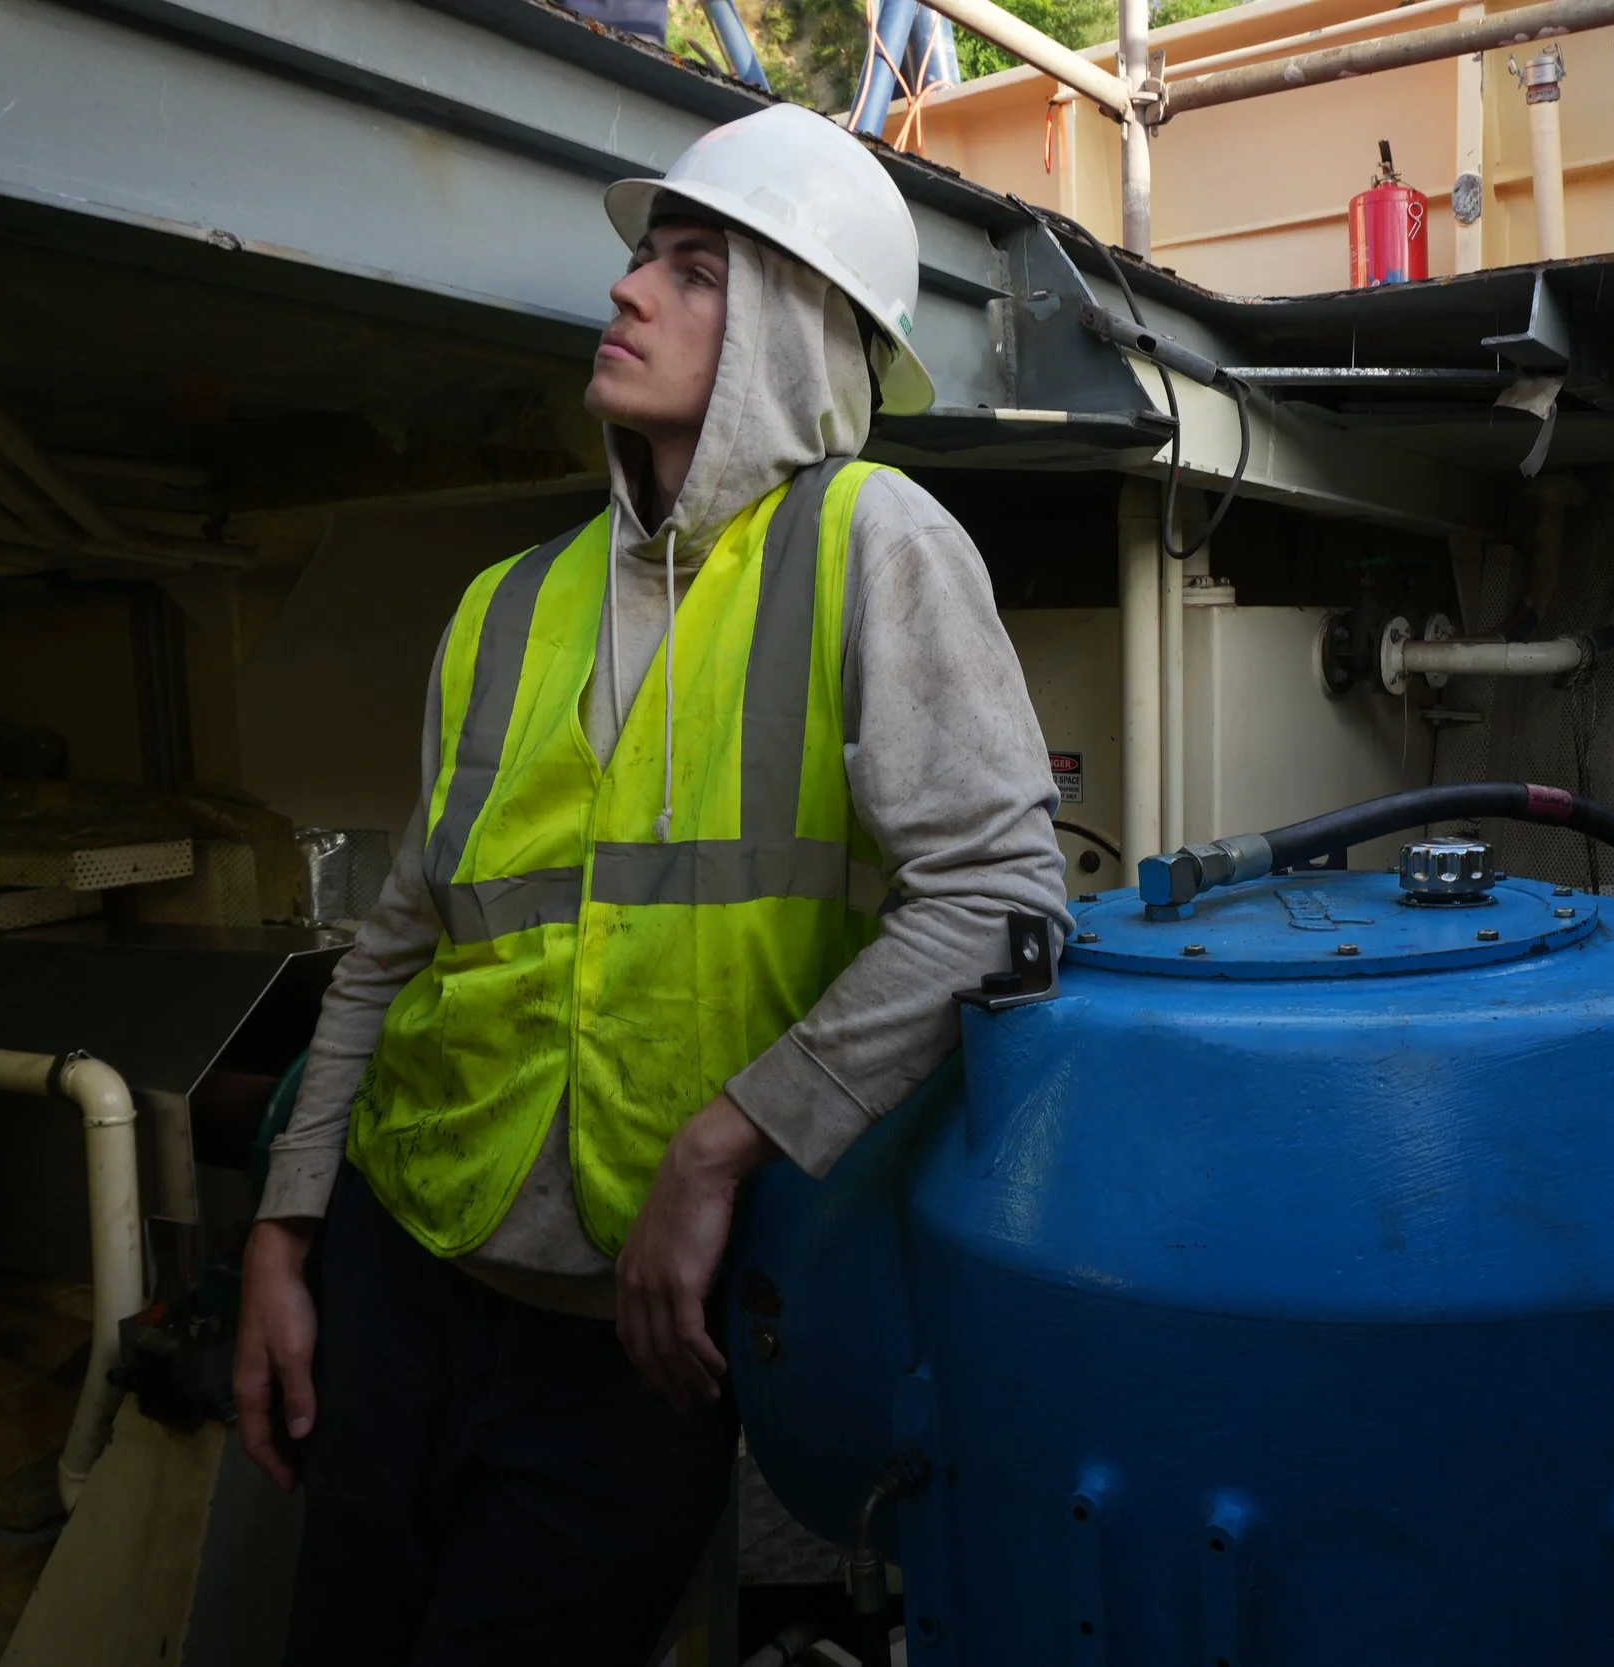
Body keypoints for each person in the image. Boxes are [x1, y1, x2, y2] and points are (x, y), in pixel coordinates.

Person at [231, 104, 1069, 1666]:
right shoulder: (504, 604)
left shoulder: (867, 543)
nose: (626, 293)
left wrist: (719, 1144)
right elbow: (387, 954)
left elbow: (1004, 899)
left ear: (795, 332)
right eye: (640, 262)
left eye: (692, 271)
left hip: (635, 1346)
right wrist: (285, 1242)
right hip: (395, 1275)